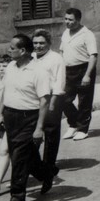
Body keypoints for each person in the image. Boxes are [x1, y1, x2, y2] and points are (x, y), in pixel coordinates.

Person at [0, 34, 53, 201]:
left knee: (19, 157)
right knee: (27, 156)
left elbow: (44, 100)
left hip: (28, 117)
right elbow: (5, 91)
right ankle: (47, 173)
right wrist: (0, 114)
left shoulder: (38, 71)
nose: (8, 50)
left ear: (22, 51)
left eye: (12, 48)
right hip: (10, 115)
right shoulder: (11, 66)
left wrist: (39, 128)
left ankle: (17, 196)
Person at [31, 29, 66, 179]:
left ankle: (49, 166)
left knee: (51, 135)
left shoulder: (56, 58)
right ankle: (36, 167)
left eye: (41, 43)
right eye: (35, 43)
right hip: (35, 99)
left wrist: (53, 104)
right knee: (33, 134)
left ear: (49, 43)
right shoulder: (31, 57)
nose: (38, 46)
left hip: (52, 98)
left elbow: (59, 82)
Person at [59, 7, 98, 141]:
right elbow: (61, 51)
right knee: (63, 99)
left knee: (84, 101)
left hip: (83, 69)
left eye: (70, 20)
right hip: (68, 70)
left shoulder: (87, 34)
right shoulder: (65, 33)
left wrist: (87, 75)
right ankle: (73, 123)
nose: (67, 22)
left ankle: (82, 129)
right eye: (66, 19)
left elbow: (93, 56)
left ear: (78, 20)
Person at [0, 54, 11, 196]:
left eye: (4, 66)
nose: (1, 69)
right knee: (6, 149)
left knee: (5, 150)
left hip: (8, 118)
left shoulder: (10, 79)